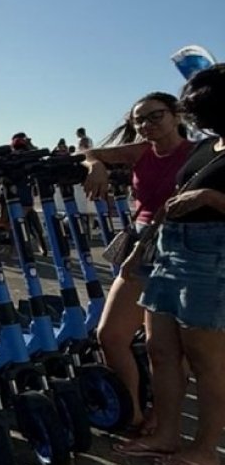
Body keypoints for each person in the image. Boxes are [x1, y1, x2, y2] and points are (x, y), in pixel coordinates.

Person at [112, 64, 225, 465]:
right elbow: (170, 204)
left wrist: (210, 196)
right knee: (161, 351)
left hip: (211, 258)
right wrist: (140, 248)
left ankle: (207, 450)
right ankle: (167, 433)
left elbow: (199, 198)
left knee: (206, 360)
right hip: (168, 252)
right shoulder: (206, 147)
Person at [81, 91, 192, 434]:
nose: (146, 125)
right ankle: (132, 411)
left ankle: (162, 417)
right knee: (111, 335)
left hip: (180, 248)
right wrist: (95, 165)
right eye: (139, 120)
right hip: (141, 246)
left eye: (155, 116)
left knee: (172, 348)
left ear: (176, 115)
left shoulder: (197, 154)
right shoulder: (141, 151)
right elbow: (87, 152)